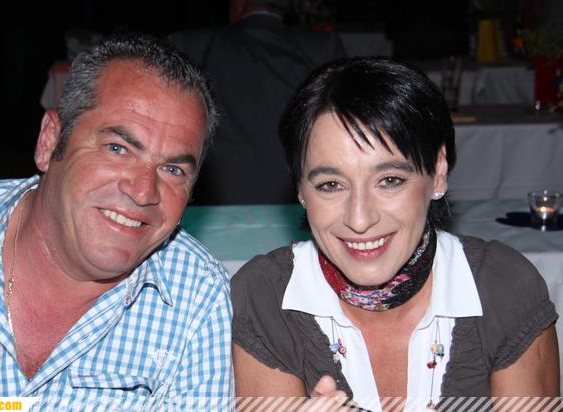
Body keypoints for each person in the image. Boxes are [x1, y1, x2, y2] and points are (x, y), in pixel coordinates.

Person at [231, 56, 559, 410]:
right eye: (330, 185)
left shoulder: (504, 289)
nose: (359, 219)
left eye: (389, 180)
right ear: (300, 189)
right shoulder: (266, 299)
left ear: (438, 172)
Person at [0, 33, 233, 410]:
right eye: (117, 148)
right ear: (50, 141)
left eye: (173, 169)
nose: (143, 191)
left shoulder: (196, 294)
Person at [169, 0, 346, 205]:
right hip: (299, 204)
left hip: (209, 208)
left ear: (237, 4)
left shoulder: (189, 44)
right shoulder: (321, 47)